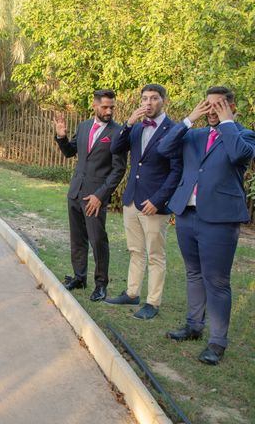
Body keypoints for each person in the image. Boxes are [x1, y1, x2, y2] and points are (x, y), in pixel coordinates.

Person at [158, 87, 255, 364]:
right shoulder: (195, 135)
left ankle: (217, 342)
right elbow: (164, 148)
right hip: (187, 215)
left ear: (232, 107)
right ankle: (193, 326)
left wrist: (227, 123)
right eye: (208, 105)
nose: (212, 110)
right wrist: (189, 118)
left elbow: (239, 156)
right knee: (193, 273)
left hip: (220, 220)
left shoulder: (244, 135)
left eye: (219, 106)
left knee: (217, 281)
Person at [107, 84, 182, 319]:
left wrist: (158, 200)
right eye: (144, 99)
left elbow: (176, 171)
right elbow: (115, 148)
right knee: (135, 250)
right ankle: (132, 293)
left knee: (155, 255)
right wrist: (128, 123)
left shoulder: (174, 130)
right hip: (131, 199)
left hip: (154, 205)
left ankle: (153, 302)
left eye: (154, 98)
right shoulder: (137, 128)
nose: (148, 103)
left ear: (163, 101)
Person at [54, 89, 127, 301]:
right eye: (105, 106)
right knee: (77, 239)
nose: (109, 111)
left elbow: (118, 170)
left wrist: (100, 196)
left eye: (112, 107)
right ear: (94, 106)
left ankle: (101, 284)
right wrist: (61, 136)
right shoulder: (84, 126)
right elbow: (70, 152)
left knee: (98, 241)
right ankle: (79, 277)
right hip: (75, 192)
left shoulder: (118, 132)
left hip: (95, 197)